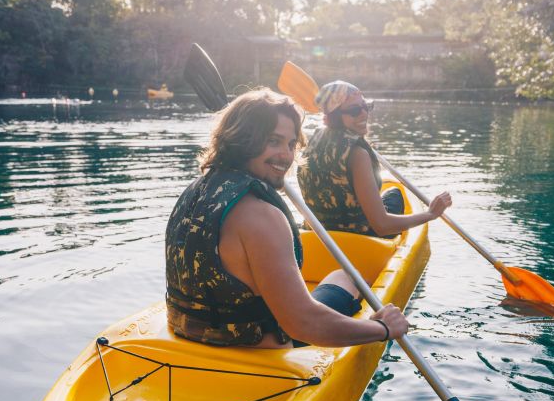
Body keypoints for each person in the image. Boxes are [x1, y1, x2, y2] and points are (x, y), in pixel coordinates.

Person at [165, 88, 408, 348]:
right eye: (273, 141)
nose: (286, 155)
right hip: (257, 346)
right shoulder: (262, 217)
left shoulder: (194, 190)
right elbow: (303, 325)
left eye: (290, 144)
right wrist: (381, 328)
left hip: (187, 332)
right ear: (244, 139)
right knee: (343, 277)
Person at [297, 80, 452, 237]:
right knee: (395, 194)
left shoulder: (315, 139)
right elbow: (382, 226)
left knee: (390, 193)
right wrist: (430, 214)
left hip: (319, 234)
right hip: (359, 240)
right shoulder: (358, 155)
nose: (364, 114)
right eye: (354, 110)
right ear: (335, 116)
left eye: (366, 106)